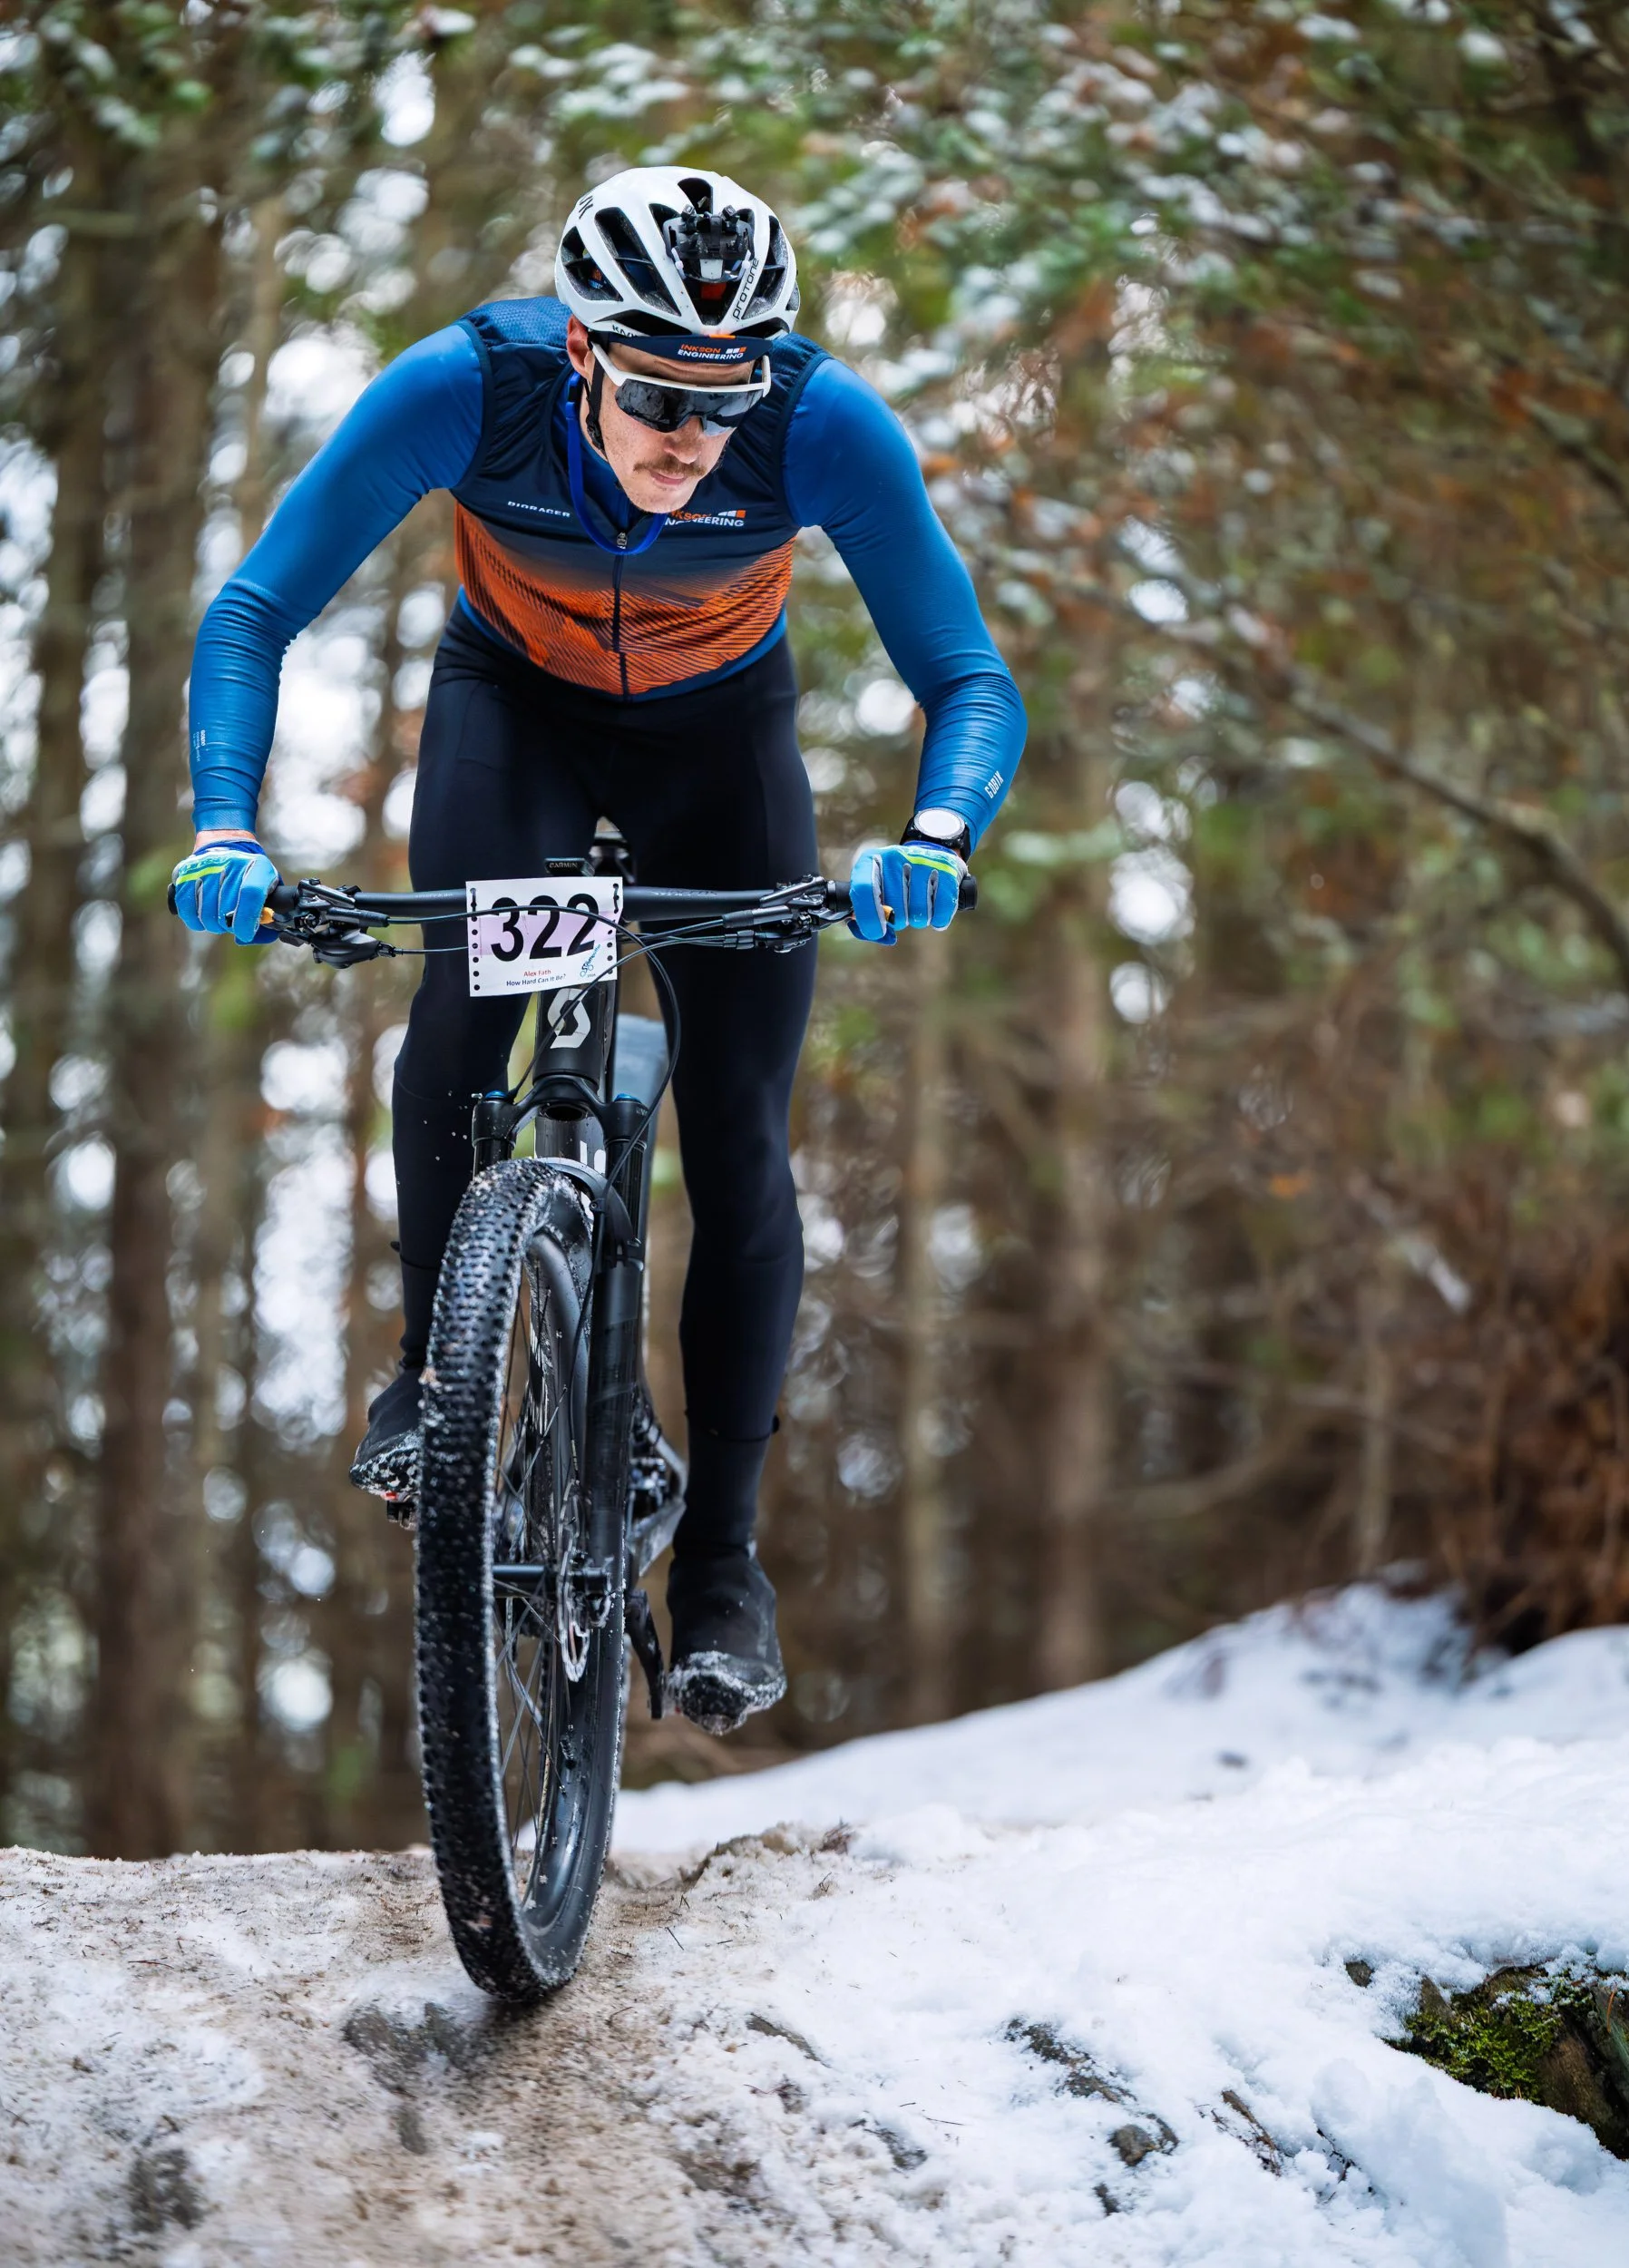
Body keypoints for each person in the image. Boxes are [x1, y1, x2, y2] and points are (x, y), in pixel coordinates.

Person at [172, 168, 1025, 1735]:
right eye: (652, 398)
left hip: (724, 750)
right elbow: (248, 617)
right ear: (578, 354)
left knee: (742, 1127)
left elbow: (967, 679)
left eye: (723, 403)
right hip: (520, 718)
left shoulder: (827, 427)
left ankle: (719, 1564)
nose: (689, 442)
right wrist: (226, 827)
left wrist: (937, 840)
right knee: (462, 1002)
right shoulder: (464, 389)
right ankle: (438, 1380)